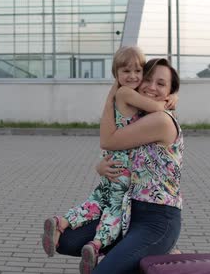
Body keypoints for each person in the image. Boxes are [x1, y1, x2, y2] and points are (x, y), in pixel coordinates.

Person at [41, 47, 176, 274]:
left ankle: (89, 240)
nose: (150, 86)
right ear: (117, 74)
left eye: (161, 84)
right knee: (102, 209)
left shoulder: (160, 120)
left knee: (101, 203)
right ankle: (95, 243)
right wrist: (168, 99)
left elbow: (109, 140)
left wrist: (171, 97)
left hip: (155, 216)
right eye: (148, 79)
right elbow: (109, 140)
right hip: (128, 199)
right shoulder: (134, 100)